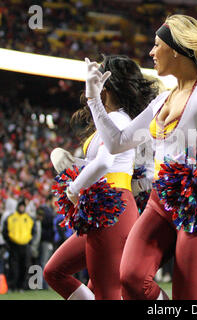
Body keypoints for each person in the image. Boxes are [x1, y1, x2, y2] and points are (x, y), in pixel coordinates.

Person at [85, 14, 197, 299]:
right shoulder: (162, 99)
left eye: (157, 45)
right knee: (131, 278)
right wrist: (94, 99)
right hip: (160, 202)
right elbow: (118, 142)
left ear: (176, 49)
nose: (151, 52)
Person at [43, 54, 158, 300]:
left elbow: (105, 163)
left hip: (112, 208)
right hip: (105, 209)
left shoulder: (117, 118)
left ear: (104, 87)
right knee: (55, 271)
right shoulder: (115, 120)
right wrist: (65, 158)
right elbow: (101, 162)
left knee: (107, 293)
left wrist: (73, 189)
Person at [2, 199, 35, 292]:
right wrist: (9, 243)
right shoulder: (11, 218)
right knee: (13, 267)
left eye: (23, 206)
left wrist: (29, 242)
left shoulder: (28, 218)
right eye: (20, 206)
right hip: (14, 246)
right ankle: (12, 286)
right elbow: (5, 232)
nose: (21, 208)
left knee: (25, 266)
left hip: (25, 246)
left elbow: (33, 232)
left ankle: (22, 286)